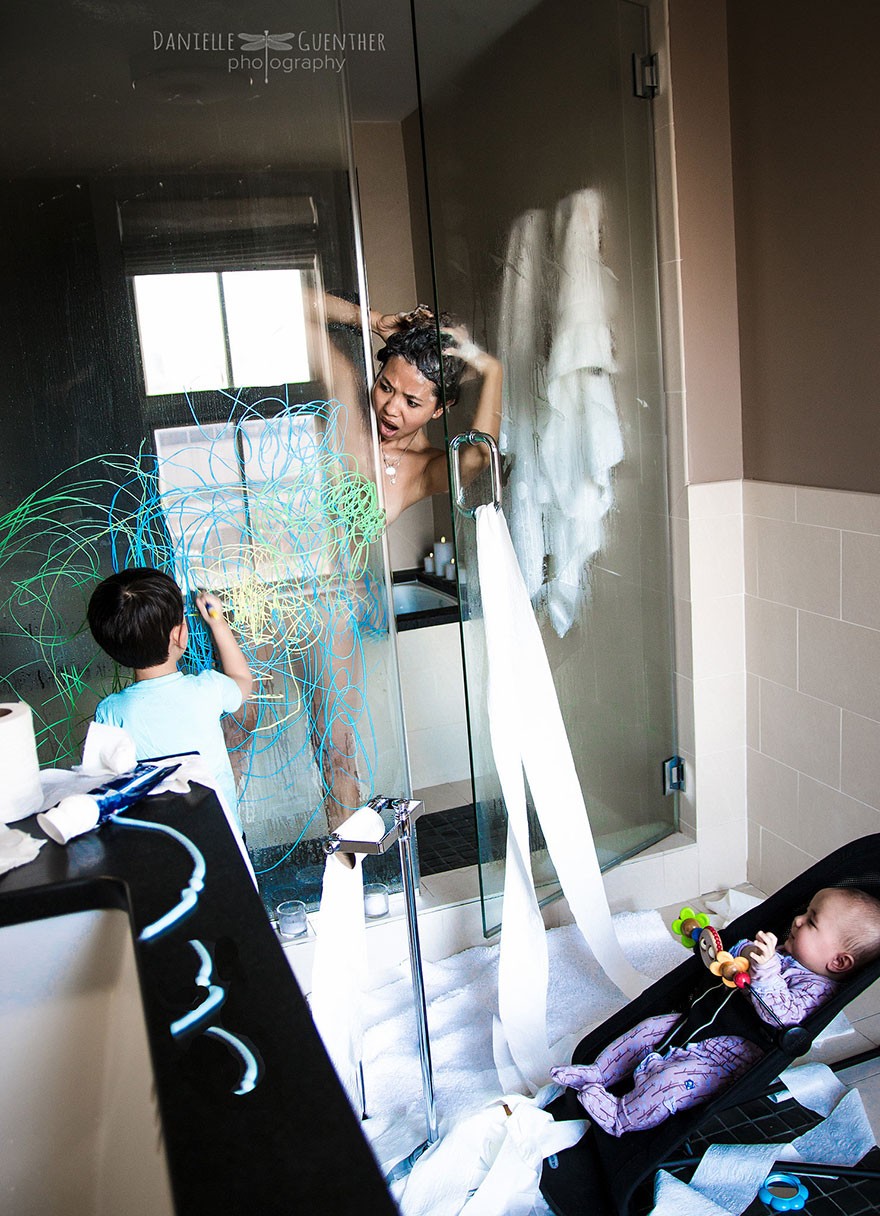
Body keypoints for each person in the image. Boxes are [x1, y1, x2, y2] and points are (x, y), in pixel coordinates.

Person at [550, 886, 880, 1136]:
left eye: (811, 921)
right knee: (647, 1030)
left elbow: (783, 1016)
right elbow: (735, 960)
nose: (797, 919)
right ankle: (598, 1072)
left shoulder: (817, 990)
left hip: (725, 1059)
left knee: (671, 1082)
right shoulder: (786, 953)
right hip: (699, 1021)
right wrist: (742, 952)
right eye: (805, 912)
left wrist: (765, 971)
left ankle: (621, 1117)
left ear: (839, 962)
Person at [87, 567, 253, 834]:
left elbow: (103, 784)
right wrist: (217, 621)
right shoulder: (207, 689)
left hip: (159, 841)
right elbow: (242, 680)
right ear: (179, 635)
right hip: (224, 834)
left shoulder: (110, 711)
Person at [322, 296, 504, 524]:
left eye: (411, 402)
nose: (391, 409)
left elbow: (479, 456)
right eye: (386, 387)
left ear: (439, 409)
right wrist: (374, 321)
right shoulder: (348, 395)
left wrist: (493, 370)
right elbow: (297, 304)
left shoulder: (423, 469)